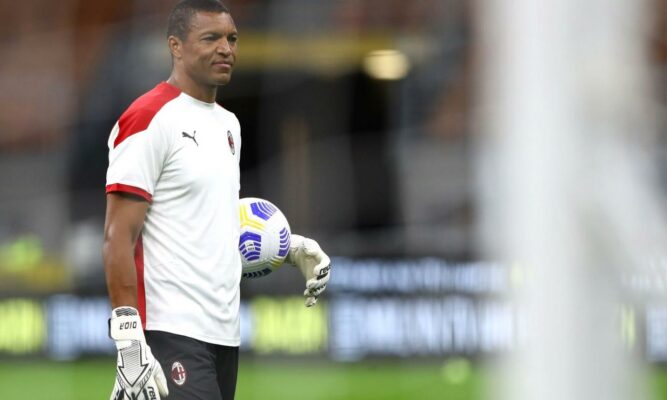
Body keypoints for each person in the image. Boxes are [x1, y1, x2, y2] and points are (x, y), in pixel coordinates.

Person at [102, 1, 331, 399]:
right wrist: (129, 341)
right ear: (175, 46)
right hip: (171, 330)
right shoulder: (149, 117)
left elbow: (214, 223)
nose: (226, 48)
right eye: (211, 38)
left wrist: (289, 247)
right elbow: (117, 235)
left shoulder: (229, 124)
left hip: (225, 334)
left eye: (232, 39)